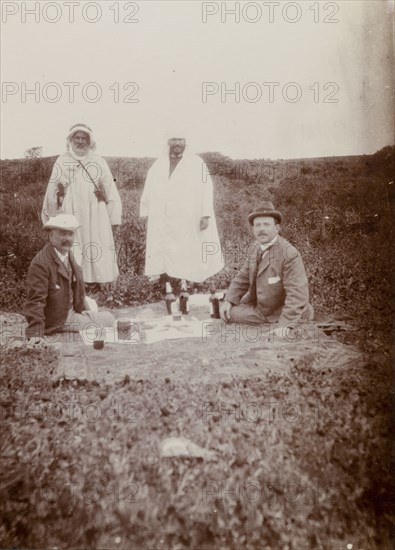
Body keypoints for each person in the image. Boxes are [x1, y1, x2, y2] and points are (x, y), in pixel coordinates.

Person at [42, 123, 122, 283]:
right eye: (76, 138)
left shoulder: (98, 161)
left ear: (90, 141)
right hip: (70, 209)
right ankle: (74, 281)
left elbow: (109, 188)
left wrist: (114, 217)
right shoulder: (62, 160)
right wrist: (51, 217)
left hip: (95, 210)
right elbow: (52, 189)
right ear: (70, 140)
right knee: (73, 243)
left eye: (84, 138)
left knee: (96, 242)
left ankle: (98, 282)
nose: (80, 141)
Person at [139, 133, 224, 283]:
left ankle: (185, 283)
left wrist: (205, 214)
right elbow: (149, 189)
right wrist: (145, 211)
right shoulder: (158, 164)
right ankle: (166, 282)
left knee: (185, 249)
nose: (177, 143)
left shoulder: (197, 163)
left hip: (187, 216)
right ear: (168, 142)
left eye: (180, 140)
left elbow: (207, 188)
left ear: (186, 142)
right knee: (164, 248)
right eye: (174, 139)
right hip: (163, 216)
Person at [24, 213, 115, 340]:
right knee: (109, 319)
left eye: (71, 234)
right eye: (63, 233)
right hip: (59, 320)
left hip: (71, 310)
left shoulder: (66, 254)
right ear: (51, 235)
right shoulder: (41, 263)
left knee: (102, 313)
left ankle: (86, 316)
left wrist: (85, 311)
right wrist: (35, 334)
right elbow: (35, 300)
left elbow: (75, 286)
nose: (67, 238)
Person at [221, 201, 313, 327]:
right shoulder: (254, 248)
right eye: (257, 225)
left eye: (266, 224)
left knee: (229, 314)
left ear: (277, 228)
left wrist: (286, 325)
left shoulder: (289, 253)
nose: (262, 229)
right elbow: (242, 278)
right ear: (253, 229)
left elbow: (297, 293)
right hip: (261, 308)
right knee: (223, 310)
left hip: (281, 312)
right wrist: (228, 300)